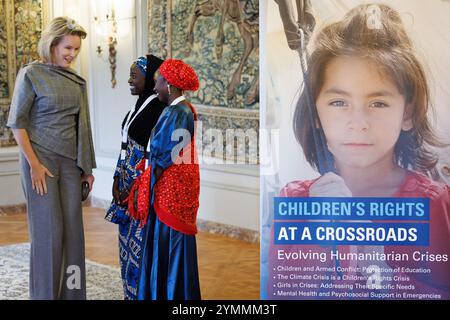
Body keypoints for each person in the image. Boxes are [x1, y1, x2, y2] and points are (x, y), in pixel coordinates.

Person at [274, 4, 450, 299]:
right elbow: (281, 291)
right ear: (316, 116)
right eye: (339, 103)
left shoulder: (433, 203)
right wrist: (320, 233)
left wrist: (382, 272)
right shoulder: (294, 199)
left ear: (407, 113)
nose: (357, 123)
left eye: (378, 103)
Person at [6, 16, 96, 300]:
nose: (71, 54)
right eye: (67, 48)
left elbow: (84, 125)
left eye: (76, 50)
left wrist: (87, 168)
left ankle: (72, 295)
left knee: (72, 235)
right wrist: (33, 165)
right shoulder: (31, 74)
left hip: (70, 163)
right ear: (52, 45)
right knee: (49, 235)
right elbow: (17, 123)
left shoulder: (76, 81)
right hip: (40, 161)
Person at [130, 59, 201, 300]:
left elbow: (162, 155)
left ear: (169, 84)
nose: (156, 87)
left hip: (169, 192)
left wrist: (146, 186)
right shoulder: (179, 110)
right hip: (169, 189)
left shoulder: (177, 112)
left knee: (168, 245)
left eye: (158, 82)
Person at [105, 54, 166, 300]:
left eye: (134, 75)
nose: (129, 80)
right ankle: (129, 294)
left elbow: (159, 156)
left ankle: (142, 294)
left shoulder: (160, 110)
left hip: (142, 188)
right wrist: (116, 179)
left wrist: (140, 187)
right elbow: (125, 146)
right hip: (125, 185)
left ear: (151, 79)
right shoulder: (139, 106)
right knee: (126, 245)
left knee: (141, 247)